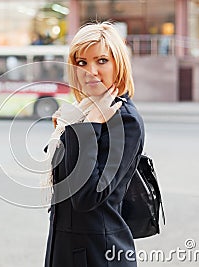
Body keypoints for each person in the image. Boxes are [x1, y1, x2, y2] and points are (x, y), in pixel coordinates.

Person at [44, 21, 145, 267]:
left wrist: (87, 130)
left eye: (101, 61)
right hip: (68, 247)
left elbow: (88, 196)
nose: (91, 71)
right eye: (82, 63)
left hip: (97, 254)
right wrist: (69, 132)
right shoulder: (83, 113)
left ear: (118, 64)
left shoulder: (124, 119)